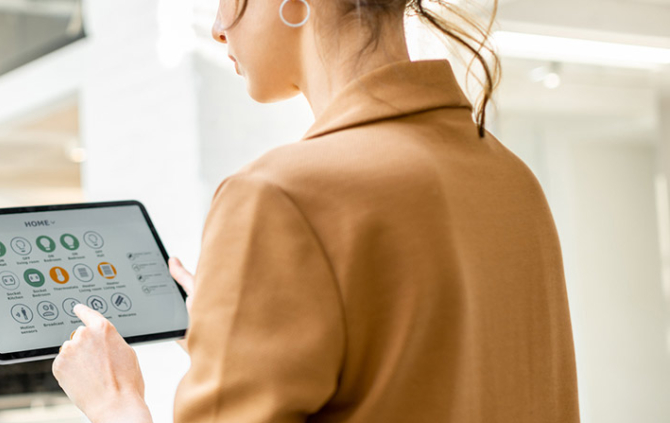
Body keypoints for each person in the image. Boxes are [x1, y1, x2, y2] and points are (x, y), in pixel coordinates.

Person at [50, 0, 580, 421]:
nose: (216, 25)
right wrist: (235, 340)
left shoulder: (277, 194)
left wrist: (116, 404)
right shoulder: (511, 177)